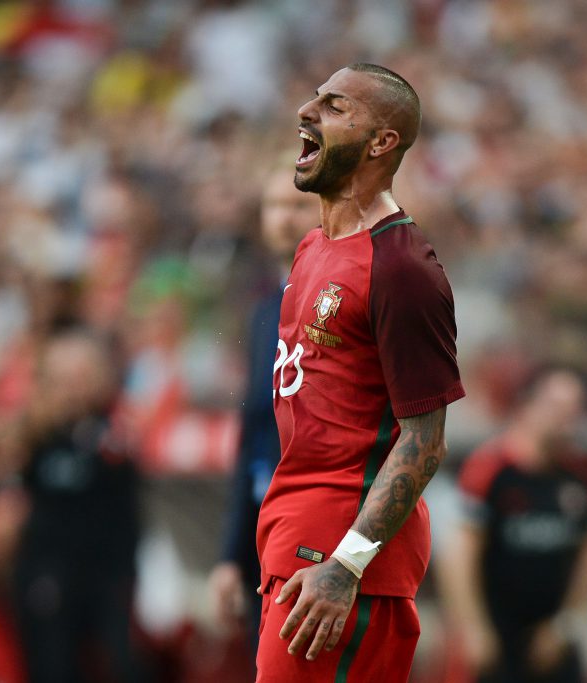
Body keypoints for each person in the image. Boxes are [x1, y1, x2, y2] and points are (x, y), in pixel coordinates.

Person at [254, 63, 465, 682]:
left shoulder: (402, 269)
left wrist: (346, 564)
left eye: (335, 105)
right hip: (296, 533)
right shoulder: (313, 247)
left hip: (342, 554)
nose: (307, 110)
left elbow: (424, 441)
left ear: (382, 143)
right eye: (314, 95)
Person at [209, 169, 317, 657]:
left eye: (295, 205)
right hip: (266, 526)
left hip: (322, 531)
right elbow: (252, 432)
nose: (282, 218)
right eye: (272, 206)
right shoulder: (262, 311)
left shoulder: (345, 303)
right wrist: (231, 554)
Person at [446, 370, 587, 683]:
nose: (567, 417)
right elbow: (459, 555)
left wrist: (567, 624)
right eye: (556, 406)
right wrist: (474, 628)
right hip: (496, 632)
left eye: (576, 408)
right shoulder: (490, 468)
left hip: (553, 635)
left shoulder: (584, 474)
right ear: (528, 406)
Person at [12, 329, 144, 683]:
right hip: (50, 570)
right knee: (52, 663)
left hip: (107, 573)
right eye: (61, 380)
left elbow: (126, 498)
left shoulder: (115, 433)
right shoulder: (37, 438)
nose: (71, 389)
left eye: (79, 377)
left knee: (120, 661)